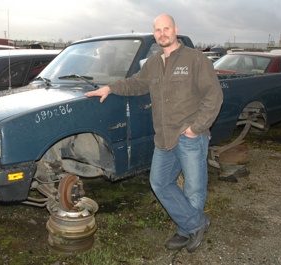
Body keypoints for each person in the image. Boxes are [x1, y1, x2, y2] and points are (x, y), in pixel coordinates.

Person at [85, 14, 223, 253]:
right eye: (158, 30)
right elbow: (136, 84)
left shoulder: (195, 59)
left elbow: (214, 96)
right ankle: (195, 223)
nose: (162, 34)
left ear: (176, 29)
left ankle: (185, 231)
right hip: (164, 137)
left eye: (166, 28)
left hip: (190, 136)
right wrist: (109, 87)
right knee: (159, 182)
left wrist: (196, 128)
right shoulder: (154, 62)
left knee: (193, 188)